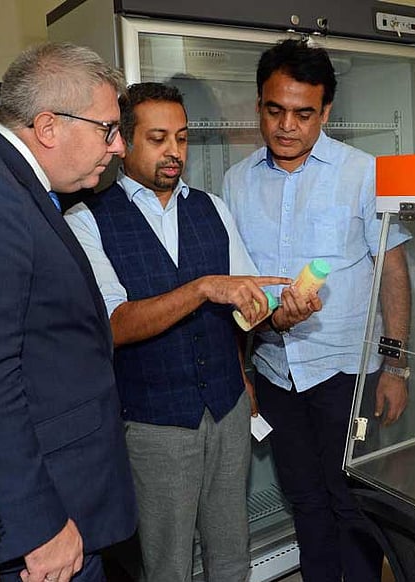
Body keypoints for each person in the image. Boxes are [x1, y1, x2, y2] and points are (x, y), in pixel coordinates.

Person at [64, 82, 318, 582]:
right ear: (123, 140)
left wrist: (285, 312)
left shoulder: (212, 208)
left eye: (181, 138)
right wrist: (202, 289)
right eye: (158, 139)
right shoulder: (86, 221)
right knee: (168, 561)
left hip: (227, 408)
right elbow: (115, 325)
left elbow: (249, 306)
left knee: (231, 548)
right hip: (154, 422)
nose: (174, 152)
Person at [221, 39, 412, 582]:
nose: (287, 126)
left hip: (345, 371)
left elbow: (392, 273)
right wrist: (245, 370)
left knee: (352, 506)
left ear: (325, 111)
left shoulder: (362, 173)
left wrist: (395, 367)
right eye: (274, 110)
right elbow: (237, 287)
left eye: (304, 113)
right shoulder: (237, 182)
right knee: (305, 501)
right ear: (259, 104)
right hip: (277, 372)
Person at [0, 42, 136, 582]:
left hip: (72, 493)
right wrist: (37, 524)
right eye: (108, 129)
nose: (119, 146)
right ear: (48, 127)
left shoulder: (11, 181)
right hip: (47, 522)